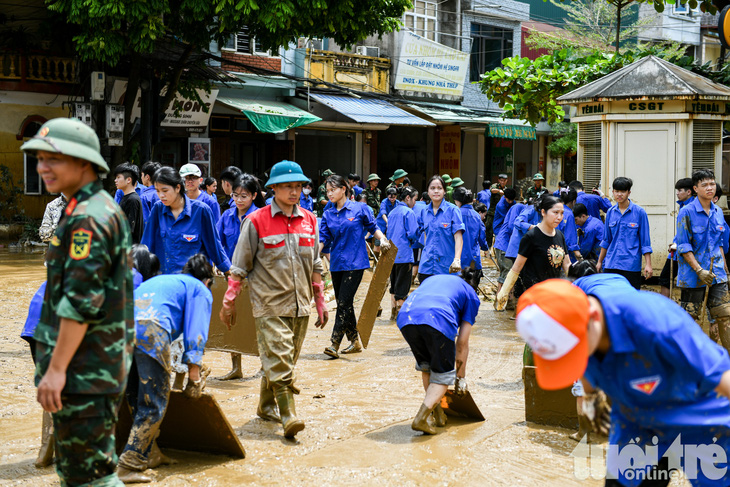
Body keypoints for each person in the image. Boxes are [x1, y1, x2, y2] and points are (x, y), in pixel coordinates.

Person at [516, 276, 730, 486]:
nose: (578, 362)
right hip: (636, 416)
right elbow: (583, 368)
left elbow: (722, 376)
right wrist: (592, 402)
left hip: (700, 417)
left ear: (593, 318)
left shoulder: (657, 325)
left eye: (577, 354)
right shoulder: (573, 311)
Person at [21, 117, 134, 486]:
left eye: (52, 159)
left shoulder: (89, 218)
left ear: (83, 162)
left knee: (87, 476)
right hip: (88, 366)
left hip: (86, 370)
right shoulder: (79, 209)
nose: (42, 167)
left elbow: (81, 302)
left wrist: (56, 370)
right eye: (39, 159)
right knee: (83, 472)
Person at [220, 160, 328, 439]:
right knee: (281, 359)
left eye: (299, 186)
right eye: (288, 186)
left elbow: (316, 264)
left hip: (300, 304)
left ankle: (265, 406)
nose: (295, 192)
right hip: (268, 304)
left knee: (285, 358)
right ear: (273, 189)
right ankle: (288, 414)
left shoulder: (310, 220)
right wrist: (229, 300)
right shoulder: (255, 222)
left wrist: (320, 300)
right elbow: (239, 266)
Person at [118, 254, 214, 483]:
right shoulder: (200, 290)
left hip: (120, 329)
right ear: (207, 280)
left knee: (135, 396)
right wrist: (194, 375)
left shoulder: (161, 281)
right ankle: (129, 465)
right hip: (151, 329)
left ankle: (150, 453)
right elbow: (196, 332)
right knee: (155, 402)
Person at [397, 269, 481, 434]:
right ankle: (420, 419)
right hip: (437, 318)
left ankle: (438, 414)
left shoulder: (435, 279)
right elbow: (462, 342)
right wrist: (460, 377)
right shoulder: (471, 295)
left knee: (427, 366)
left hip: (405, 317)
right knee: (443, 376)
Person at [319, 175, 389, 358]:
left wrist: (382, 239)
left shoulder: (360, 208)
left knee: (342, 302)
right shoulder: (328, 213)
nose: (330, 193)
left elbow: (373, 227)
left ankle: (334, 343)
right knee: (346, 303)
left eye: (333, 189)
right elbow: (323, 238)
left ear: (344, 188)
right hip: (336, 264)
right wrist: (313, 255)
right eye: (327, 190)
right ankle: (355, 341)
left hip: (356, 262)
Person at [676, 169, 730, 349]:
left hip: (717, 275)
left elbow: (719, 244)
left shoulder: (718, 212)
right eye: (705, 185)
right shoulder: (686, 212)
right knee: (690, 318)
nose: (710, 188)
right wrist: (699, 270)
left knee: (724, 316)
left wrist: (726, 272)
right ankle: (689, 359)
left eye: (712, 184)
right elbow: (683, 246)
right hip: (693, 276)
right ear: (695, 188)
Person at [142, 167, 230, 275]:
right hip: (164, 280)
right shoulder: (157, 209)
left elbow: (214, 246)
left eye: (165, 191)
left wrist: (228, 271)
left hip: (193, 282)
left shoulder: (201, 211)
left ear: (178, 188)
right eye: (158, 191)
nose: (161, 195)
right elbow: (147, 243)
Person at [496, 195, 571, 310]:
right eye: (555, 212)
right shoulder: (531, 237)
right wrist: (504, 292)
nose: (559, 217)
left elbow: (567, 265)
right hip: (534, 296)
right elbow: (516, 268)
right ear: (543, 212)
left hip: (553, 293)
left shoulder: (560, 236)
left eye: (562, 213)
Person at [597, 177, 653, 290]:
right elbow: (606, 240)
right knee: (611, 297)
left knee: (631, 299)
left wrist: (648, 264)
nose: (619, 194)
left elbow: (645, 242)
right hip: (611, 264)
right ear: (613, 192)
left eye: (622, 191)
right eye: (616, 191)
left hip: (631, 265)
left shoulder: (640, 213)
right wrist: (599, 262)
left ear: (629, 192)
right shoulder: (610, 213)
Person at [416, 175, 465, 282]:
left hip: (447, 267)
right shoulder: (424, 212)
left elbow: (458, 237)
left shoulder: (453, 210)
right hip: (426, 267)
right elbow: (423, 235)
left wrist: (457, 259)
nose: (436, 191)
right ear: (428, 192)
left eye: (439, 188)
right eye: (432, 188)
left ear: (444, 191)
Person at [386, 186, 419, 320]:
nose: (415, 203)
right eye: (414, 199)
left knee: (394, 286)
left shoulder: (392, 212)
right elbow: (412, 233)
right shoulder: (409, 212)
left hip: (391, 255)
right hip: (404, 254)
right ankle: (401, 318)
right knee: (403, 288)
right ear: (408, 198)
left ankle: (393, 313)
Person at [659, 178, 695, 298]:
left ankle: (666, 307)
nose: (677, 193)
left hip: (683, 250)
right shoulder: (683, 206)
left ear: (689, 192)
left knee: (666, 277)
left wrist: (678, 245)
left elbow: (689, 232)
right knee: (666, 277)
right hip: (677, 248)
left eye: (680, 190)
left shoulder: (689, 209)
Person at [453, 187, 489, 277]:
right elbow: (482, 237)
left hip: (457, 261)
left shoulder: (454, 214)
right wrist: (485, 249)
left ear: (458, 201)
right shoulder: (477, 216)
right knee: (472, 289)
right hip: (473, 260)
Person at [493, 198, 525, 294]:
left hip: (507, 246)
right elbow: (512, 226)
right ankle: (499, 301)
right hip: (504, 245)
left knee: (509, 272)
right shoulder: (518, 207)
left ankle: (508, 301)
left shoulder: (518, 207)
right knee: (506, 272)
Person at [114, 163, 144, 244]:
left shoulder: (132, 200)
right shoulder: (126, 197)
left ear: (128, 180)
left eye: (118, 177)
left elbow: (129, 230)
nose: (115, 180)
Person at [485, 173, 508, 244]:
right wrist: (498, 191)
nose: (502, 182)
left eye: (504, 181)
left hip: (501, 214)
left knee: (500, 230)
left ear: (506, 181)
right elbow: (491, 190)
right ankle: (488, 248)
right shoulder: (495, 186)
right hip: (492, 212)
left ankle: (498, 246)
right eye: (501, 180)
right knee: (489, 229)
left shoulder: (506, 189)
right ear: (498, 180)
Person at [559, 189, 581, 262]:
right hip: (564, 253)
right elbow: (570, 239)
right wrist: (578, 255)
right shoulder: (569, 214)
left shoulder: (555, 210)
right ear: (574, 201)